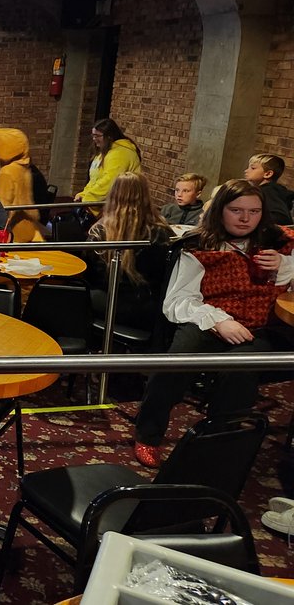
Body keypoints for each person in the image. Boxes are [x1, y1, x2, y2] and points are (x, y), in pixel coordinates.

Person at [133, 180, 294, 468]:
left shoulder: (279, 242)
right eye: (236, 210)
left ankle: (218, 443)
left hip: (260, 324)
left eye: (254, 211)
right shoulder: (198, 245)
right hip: (207, 316)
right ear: (220, 210)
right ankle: (148, 434)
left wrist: (286, 266)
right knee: (174, 363)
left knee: (240, 371)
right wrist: (219, 321)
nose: (245, 219)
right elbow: (179, 300)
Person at [86, 172, 175, 331]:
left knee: (69, 297)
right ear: (145, 196)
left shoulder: (99, 232)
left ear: (113, 195)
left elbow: (89, 272)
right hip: (151, 307)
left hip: (110, 302)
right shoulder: (162, 232)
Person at [0, 128, 45, 242]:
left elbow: (3, 206)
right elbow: (18, 195)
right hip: (28, 224)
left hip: (14, 229)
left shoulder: (6, 171)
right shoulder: (22, 168)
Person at [74, 117, 142, 211]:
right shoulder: (105, 152)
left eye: (97, 136)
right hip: (107, 207)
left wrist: (88, 199)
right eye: (93, 135)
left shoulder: (120, 154)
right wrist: (83, 194)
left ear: (109, 136)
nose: (94, 139)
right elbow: (95, 179)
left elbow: (110, 182)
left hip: (121, 209)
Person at [243, 153, 294, 225]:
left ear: (268, 174)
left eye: (253, 168)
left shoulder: (268, 191)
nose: (246, 171)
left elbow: (281, 218)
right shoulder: (270, 191)